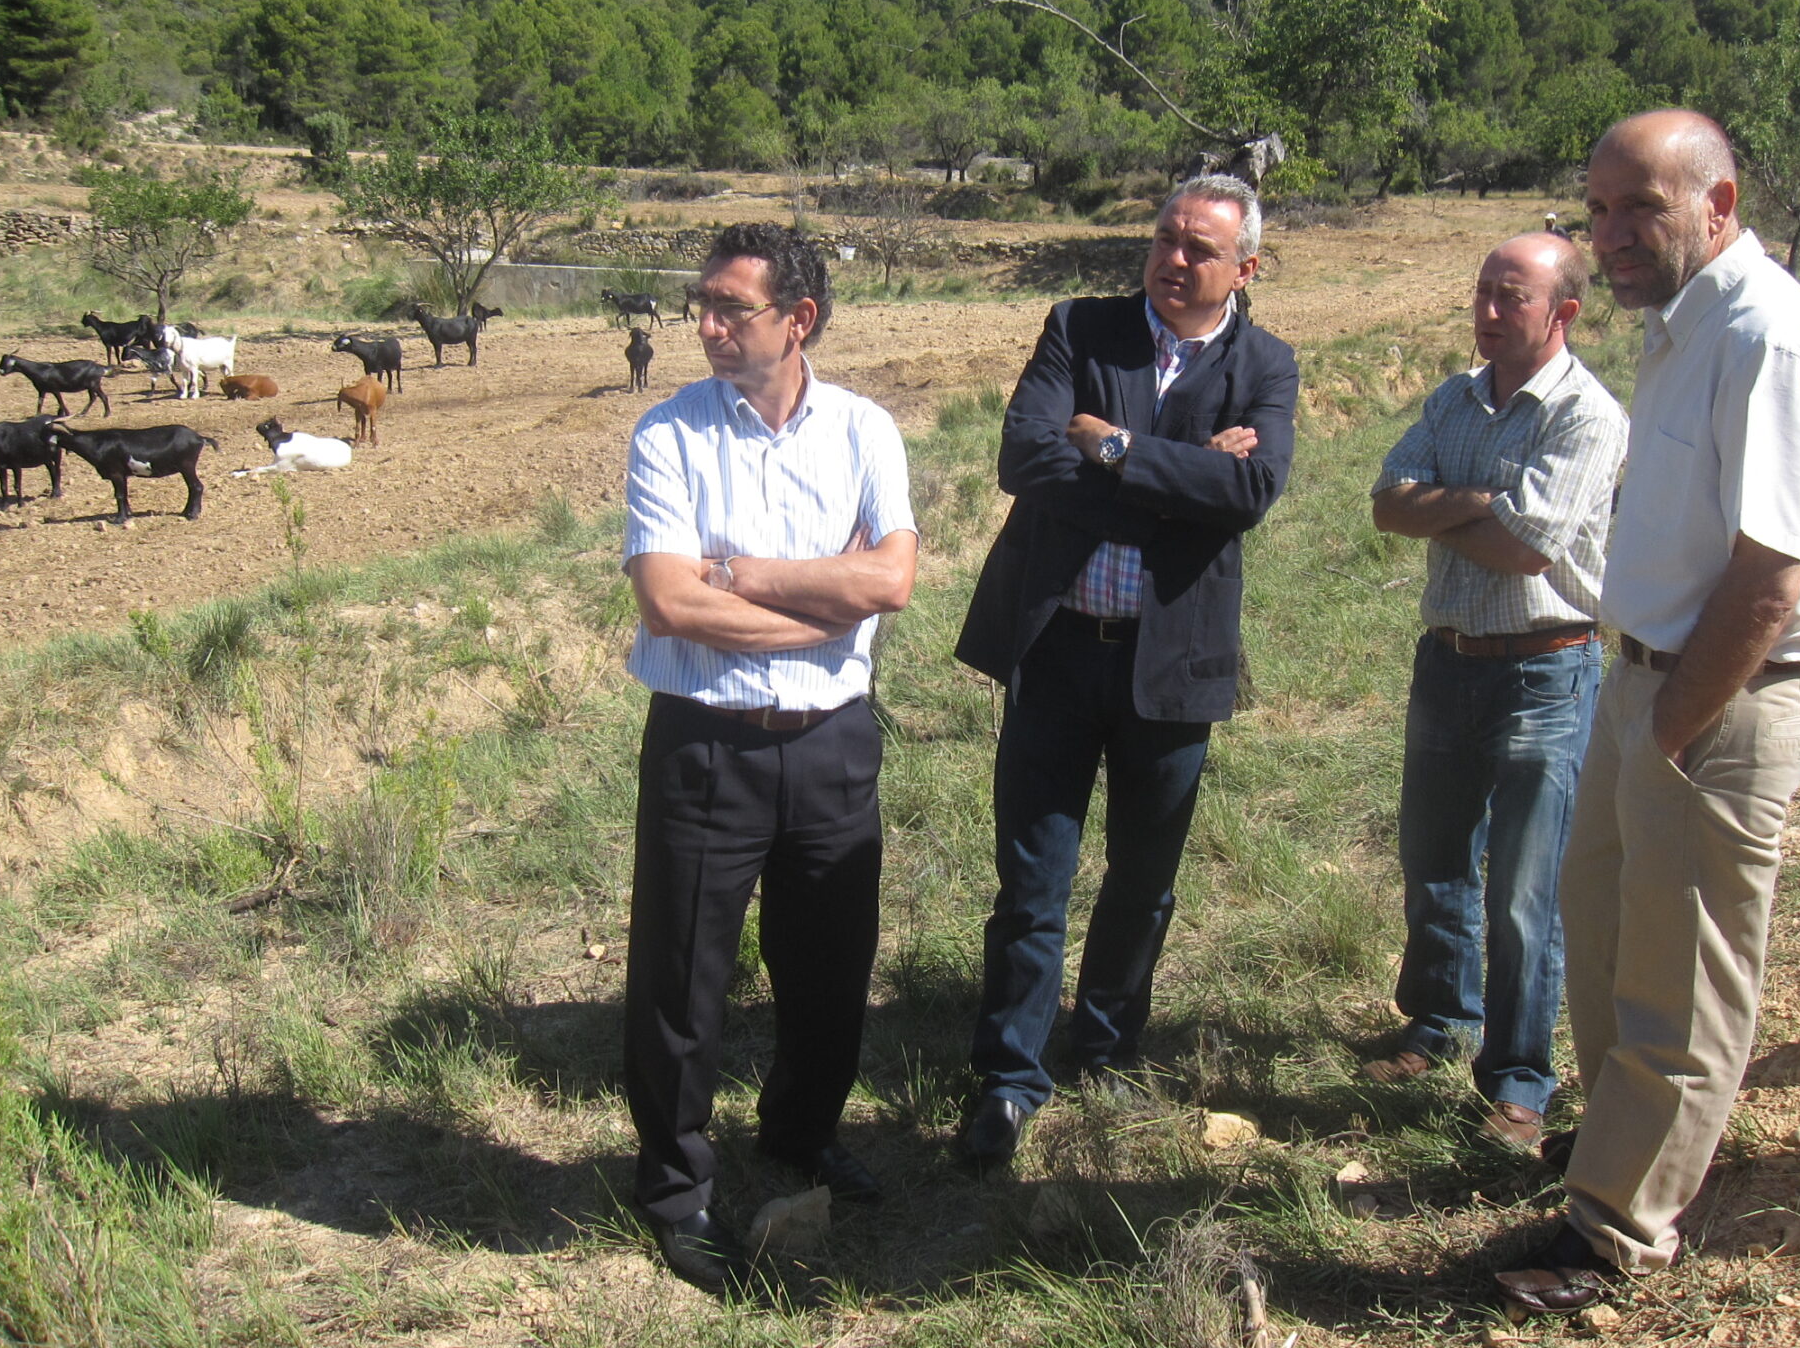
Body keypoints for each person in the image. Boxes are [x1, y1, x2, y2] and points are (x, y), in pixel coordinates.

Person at [1496, 111, 1800, 1314]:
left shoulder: (1762, 335)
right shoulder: (1686, 325)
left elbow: (1769, 576)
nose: (1609, 234)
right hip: (1643, 680)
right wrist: (1638, 711)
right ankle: (1619, 1153)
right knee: (1608, 934)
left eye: (1639, 209)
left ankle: (1612, 1234)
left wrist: (1666, 735)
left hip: (1717, 695)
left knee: (1682, 977)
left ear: (1716, 206)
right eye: (1595, 209)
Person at [952, 174, 1299, 1168]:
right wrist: (1183, 476)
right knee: (1032, 879)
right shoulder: (1080, 327)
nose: (1172, 260)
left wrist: (1110, 447)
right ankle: (1009, 1077)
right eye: (1164, 238)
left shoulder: (1265, 364)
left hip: (1173, 664)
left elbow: (1250, 489)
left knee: (1143, 880)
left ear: (1245, 267)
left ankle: (1105, 1046)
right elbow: (1024, 458)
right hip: (1057, 650)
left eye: (1199, 248)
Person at [620, 222, 917, 1292]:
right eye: (699, 304)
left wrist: (737, 575)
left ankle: (800, 1135)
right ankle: (675, 1189)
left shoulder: (865, 430)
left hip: (833, 742)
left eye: (728, 308)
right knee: (681, 978)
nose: (704, 325)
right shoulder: (668, 434)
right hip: (708, 743)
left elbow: (889, 581)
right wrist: (820, 606)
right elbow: (667, 600)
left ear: (798, 320)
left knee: (830, 963)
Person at [1366, 233, 1626, 1151]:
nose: (1486, 311)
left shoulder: (1587, 416)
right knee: (1434, 858)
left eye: (1509, 297)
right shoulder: (1455, 397)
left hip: (1543, 669)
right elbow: (1387, 502)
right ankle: (1440, 1018)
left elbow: (1529, 548)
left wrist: (1445, 503)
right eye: (1482, 291)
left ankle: (1518, 1080)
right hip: (1449, 659)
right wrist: (1485, 499)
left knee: (1525, 888)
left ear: (1563, 313)